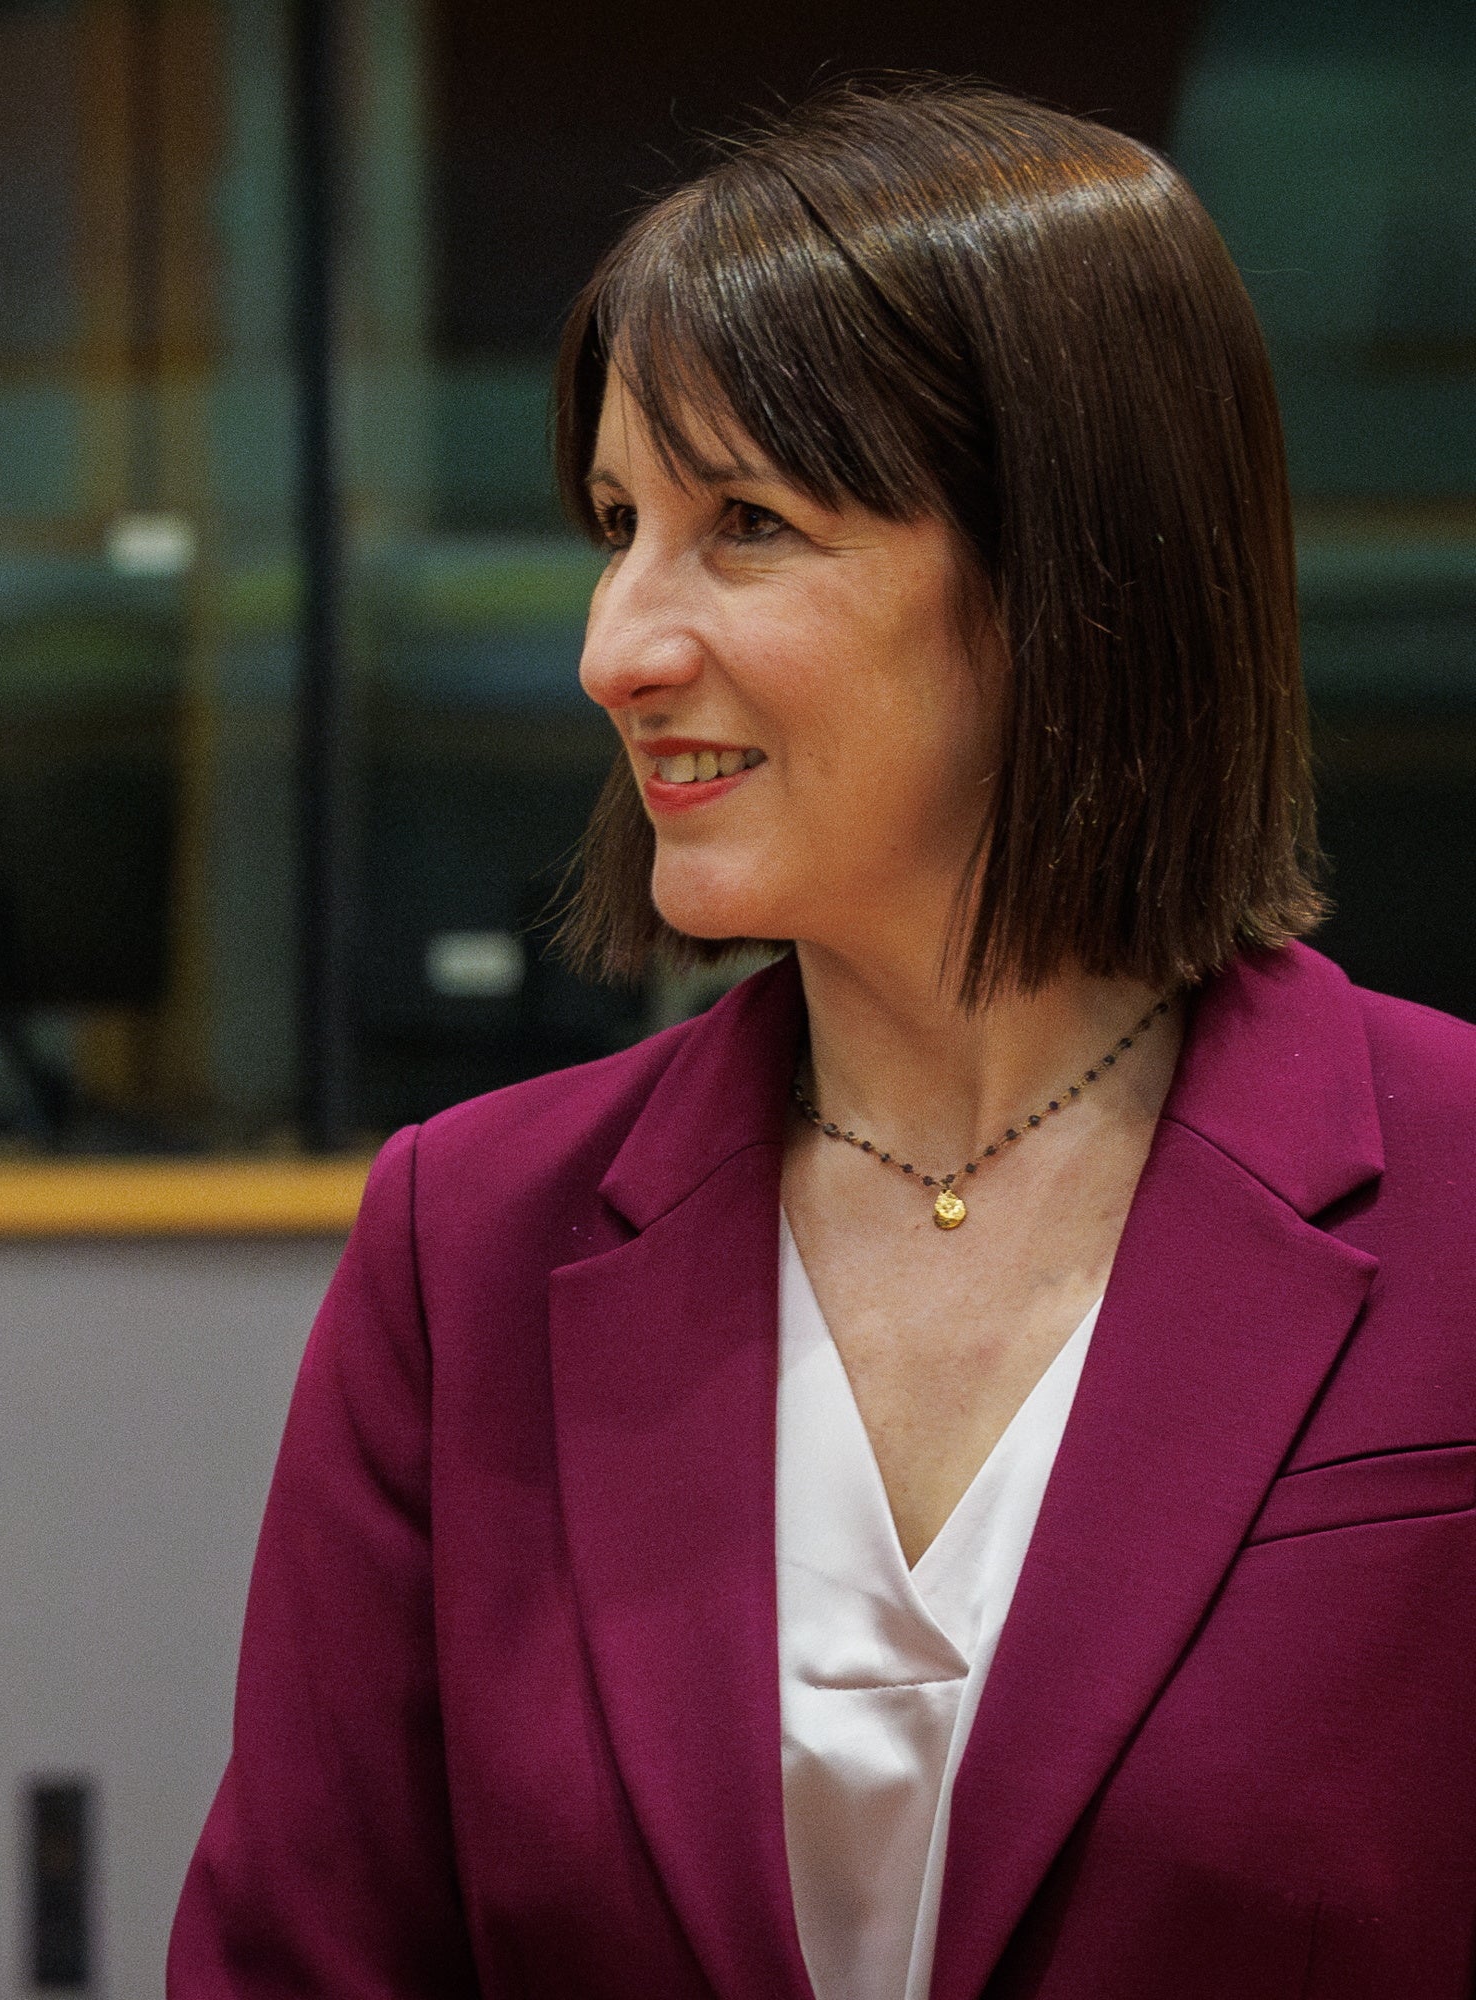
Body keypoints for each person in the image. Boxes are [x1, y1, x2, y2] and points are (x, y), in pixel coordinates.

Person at [172, 80, 1476, 2000]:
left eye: (747, 526)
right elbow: (306, 1960)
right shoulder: (474, 1234)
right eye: (620, 524)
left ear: (1074, 578)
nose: (619, 641)